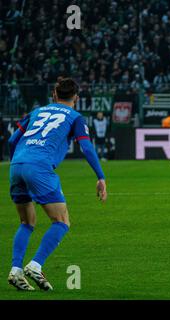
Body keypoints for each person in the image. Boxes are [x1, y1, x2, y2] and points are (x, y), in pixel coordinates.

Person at [7, 77, 107, 291]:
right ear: (76, 98)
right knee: (62, 220)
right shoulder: (75, 117)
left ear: (54, 95)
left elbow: (11, 140)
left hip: (16, 164)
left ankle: (15, 270)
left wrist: (19, 161)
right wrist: (100, 177)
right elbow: (87, 148)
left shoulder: (37, 112)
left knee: (26, 222)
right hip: (40, 167)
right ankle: (35, 265)